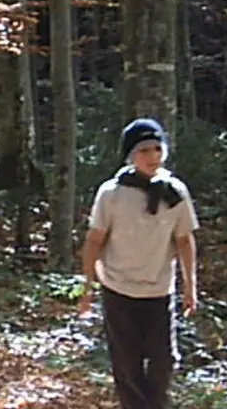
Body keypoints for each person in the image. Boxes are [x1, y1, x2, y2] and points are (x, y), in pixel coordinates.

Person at [76, 118, 201, 409]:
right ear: (131, 155)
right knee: (127, 364)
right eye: (145, 150)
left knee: (164, 360)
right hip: (118, 289)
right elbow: (95, 240)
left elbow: (185, 240)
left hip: (159, 291)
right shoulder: (111, 193)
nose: (153, 156)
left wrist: (190, 287)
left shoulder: (175, 191)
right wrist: (88, 287)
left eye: (158, 148)